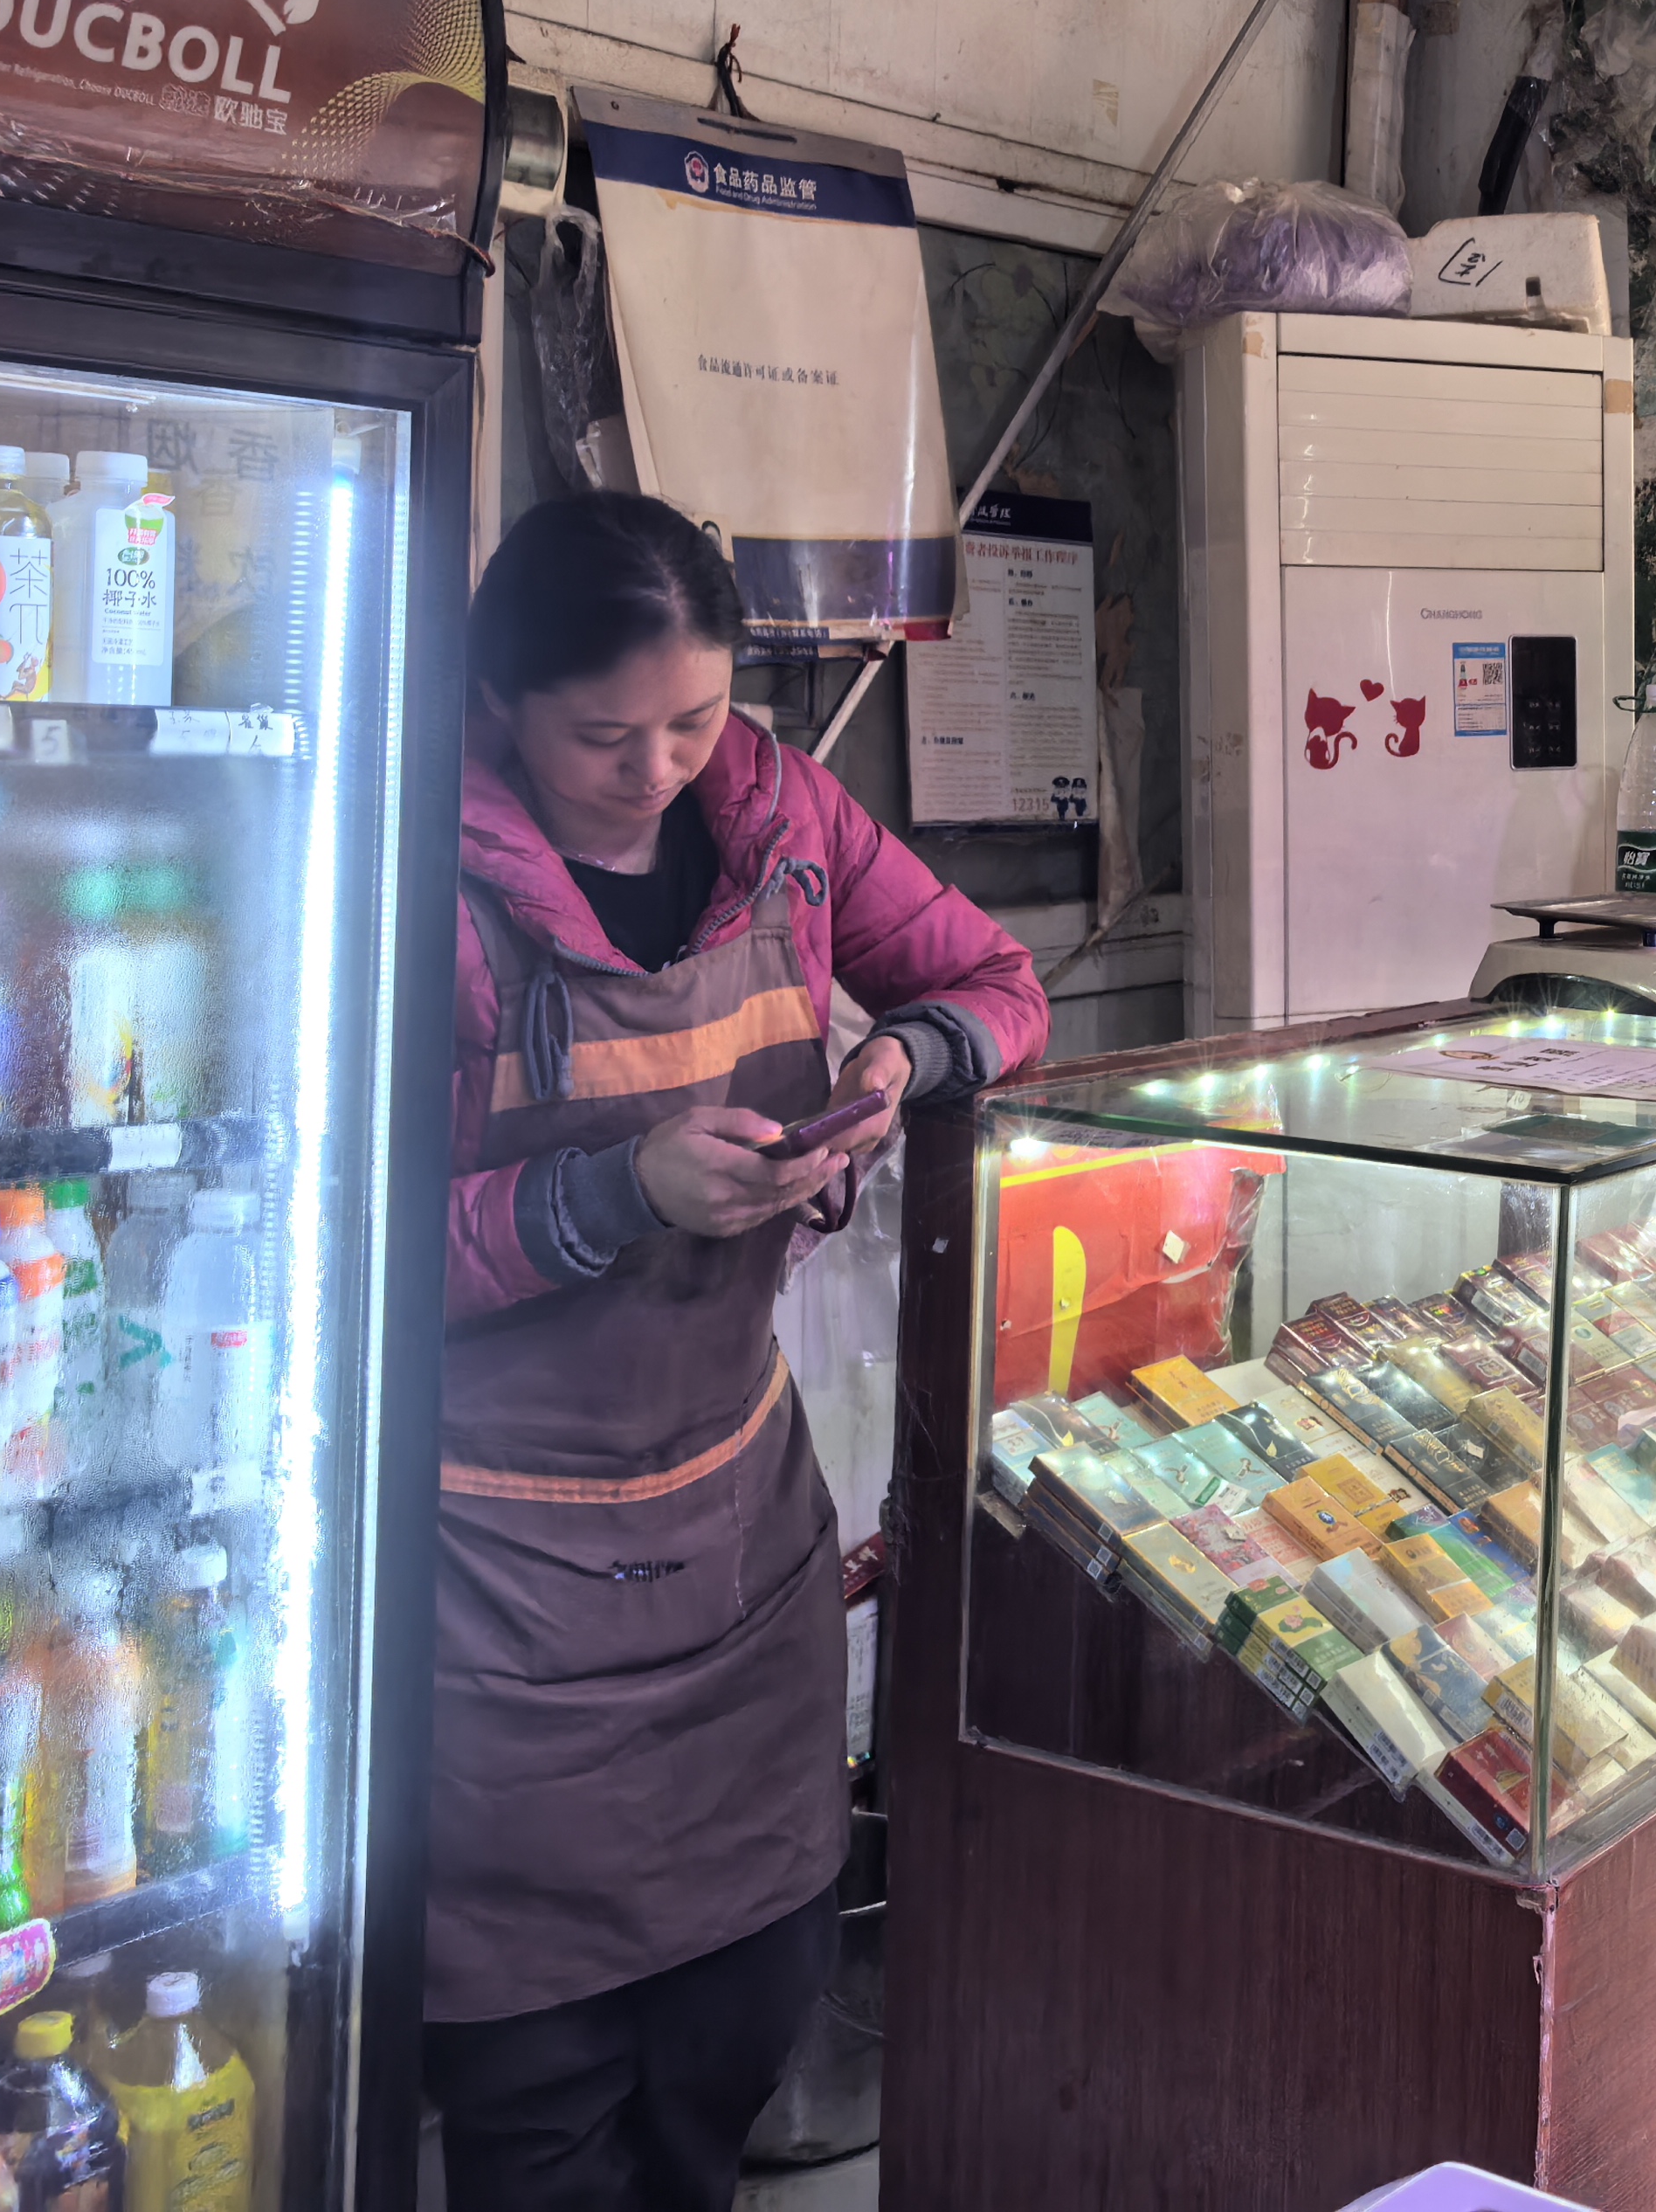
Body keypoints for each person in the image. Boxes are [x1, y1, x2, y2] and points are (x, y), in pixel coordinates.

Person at [424, 492, 1047, 2209]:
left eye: (693, 719)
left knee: (743, 2009)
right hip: (497, 1569)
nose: (656, 769)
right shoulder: (423, 876)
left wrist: (892, 1074)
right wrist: (614, 1194)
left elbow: (998, 984)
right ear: (500, 703)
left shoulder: (784, 821)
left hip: (734, 1537)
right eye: (602, 734)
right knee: (539, 2076)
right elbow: (359, 1246)